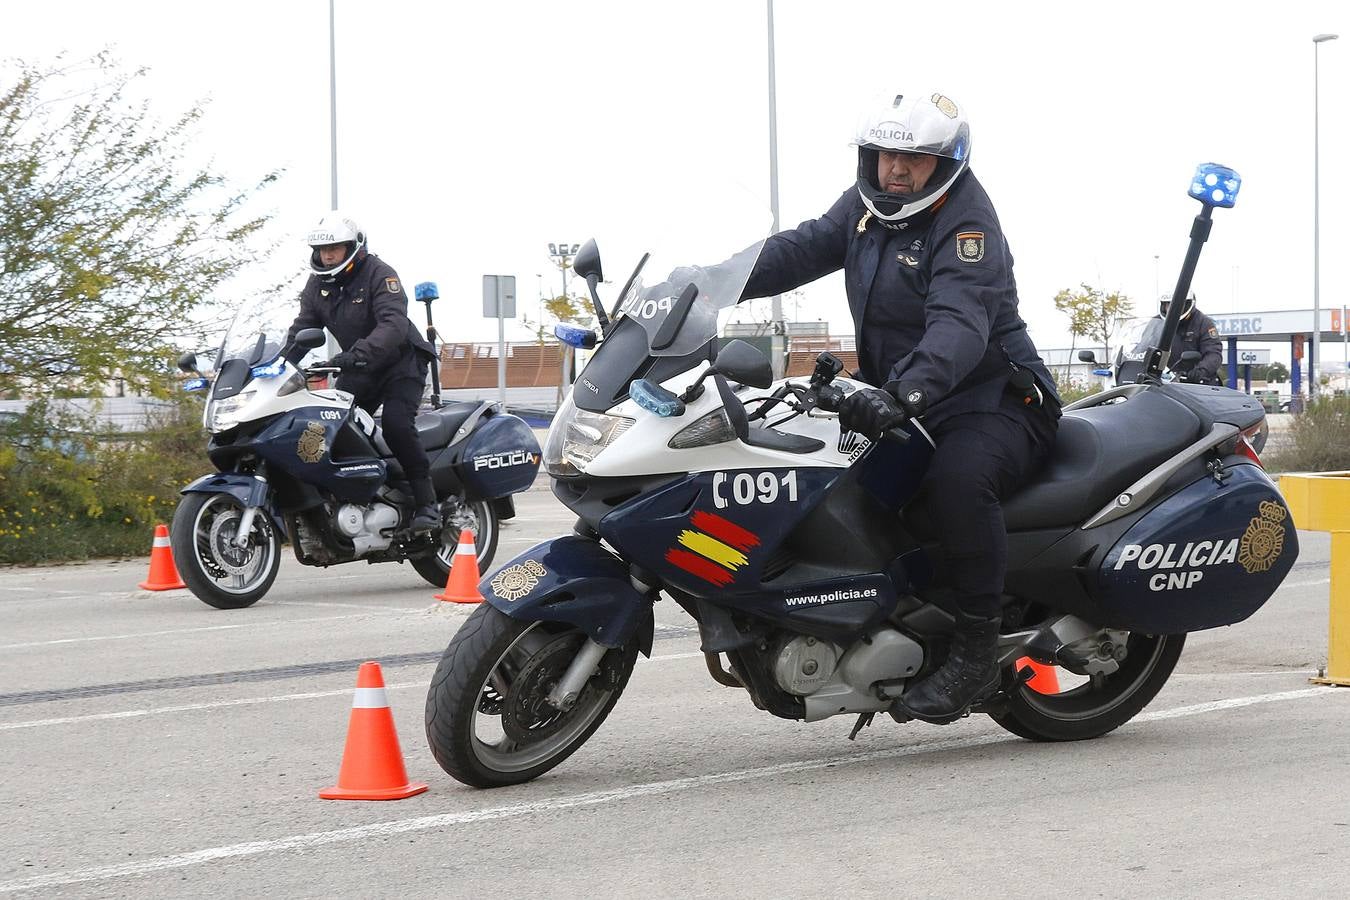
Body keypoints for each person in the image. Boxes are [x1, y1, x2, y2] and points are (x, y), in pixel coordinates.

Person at [739, 92, 1062, 723]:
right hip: (907, 397)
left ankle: (973, 649)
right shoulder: (865, 208)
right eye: (887, 154)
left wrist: (902, 395)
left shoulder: (967, 224)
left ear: (944, 163)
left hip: (990, 398)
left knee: (957, 482)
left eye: (914, 158)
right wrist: (713, 280)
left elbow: (959, 326)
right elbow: (804, 247)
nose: (897, 170)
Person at [286, 212, 440, 532]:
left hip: (401, 362)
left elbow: (393, 324)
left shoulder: (380, 275)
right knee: (332, 428)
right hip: (359, 368)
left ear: (353, 247)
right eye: (322, 250)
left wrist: (355, 355)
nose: (327, 255)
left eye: (335, 249)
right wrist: (276, 365)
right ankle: (362, 495)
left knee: (397, 424)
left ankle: (427, 503)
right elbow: (301, 331)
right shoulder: (317, 286)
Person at [1158, 291, 1224, 385]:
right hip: (1163, 381)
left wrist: (1199, 371)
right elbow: (1142, 347)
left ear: (1188, 304)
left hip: (1194, 382)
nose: (1172, 308)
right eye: (1168, 304)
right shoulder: (1156, 323)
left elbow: (1213, 353)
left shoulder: (1203, 323)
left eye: (1178, 304)